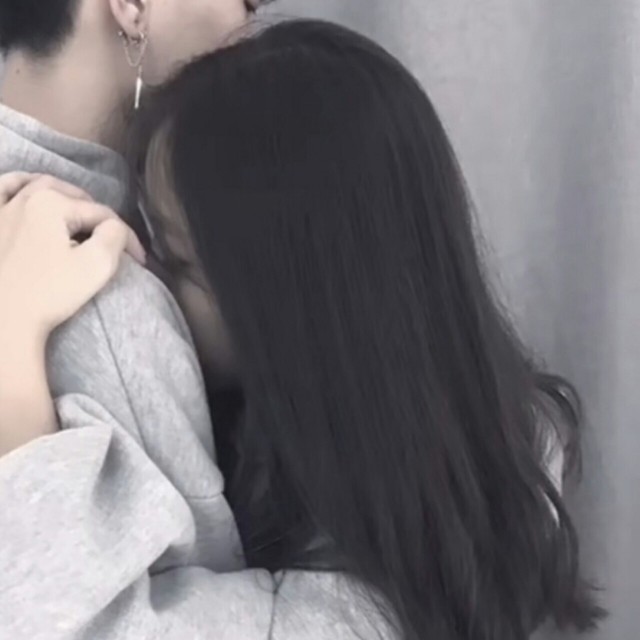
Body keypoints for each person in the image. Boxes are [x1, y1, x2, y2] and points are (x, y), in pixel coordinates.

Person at [0, 19, 604, 640]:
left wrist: (12, 363)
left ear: (287, 309)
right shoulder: (464, 431)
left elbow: (91, 630)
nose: (140, 266)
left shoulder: (374, 607)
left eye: (177, 262)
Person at [0, 0, 270, 586]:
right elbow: (197, 606)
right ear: (132, 5)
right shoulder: (109, 298)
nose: (252, 33)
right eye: (248, 3)